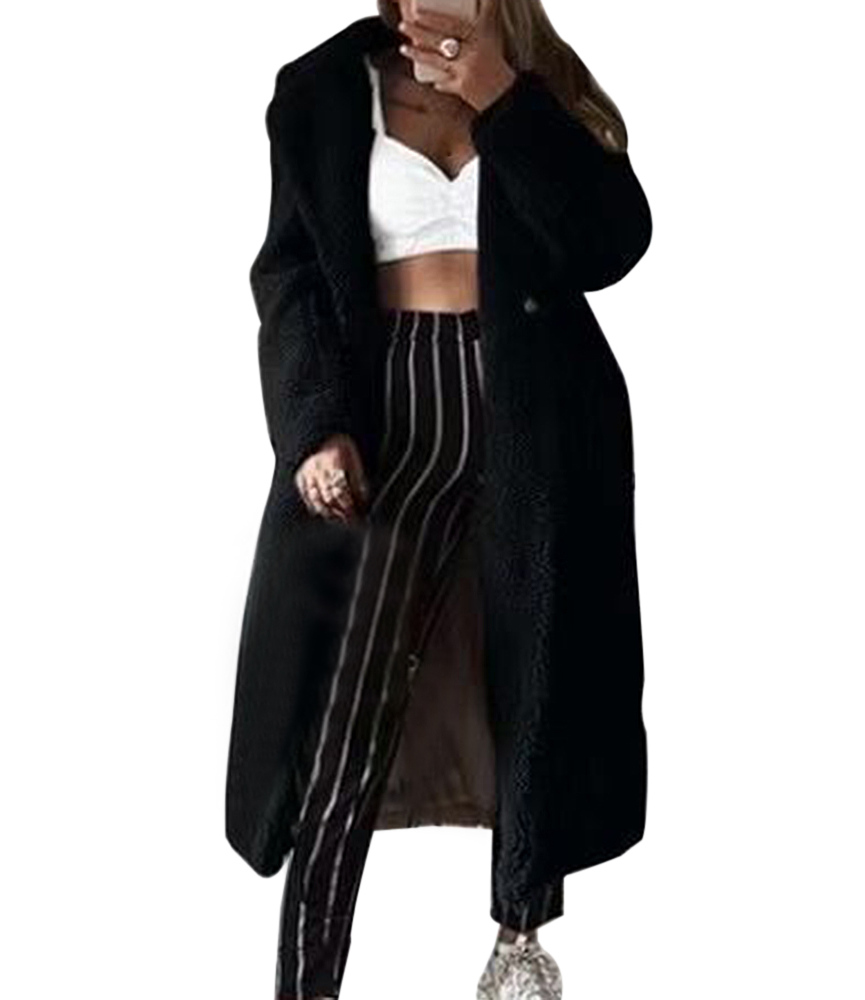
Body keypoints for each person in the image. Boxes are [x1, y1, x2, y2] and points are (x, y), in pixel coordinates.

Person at [226, 2, 652, 997]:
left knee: (535, 680)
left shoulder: (544, 87)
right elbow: (290, 278)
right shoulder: (325, 91)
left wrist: (502, 96)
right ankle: (306, 983)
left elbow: (611, 244)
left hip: (538, 414)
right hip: (390, 416)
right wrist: (314, 425)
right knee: (344, 718)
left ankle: (519, 951)